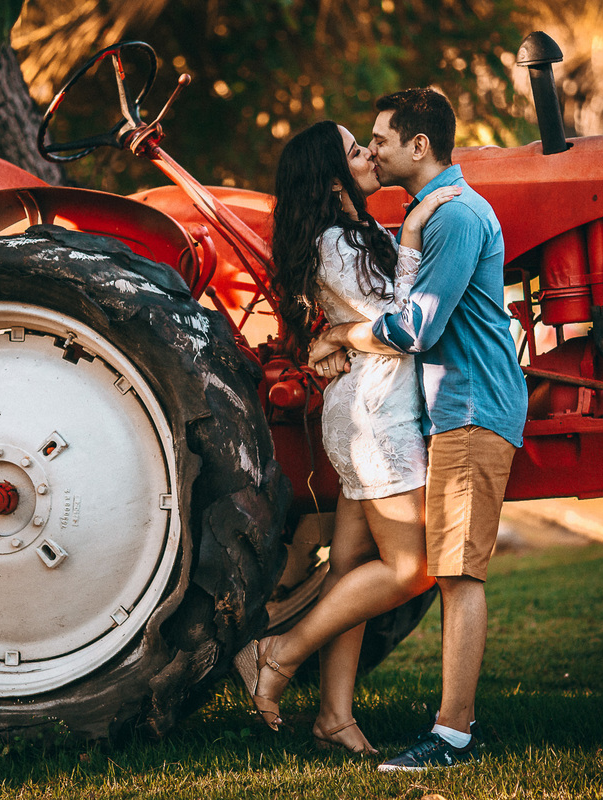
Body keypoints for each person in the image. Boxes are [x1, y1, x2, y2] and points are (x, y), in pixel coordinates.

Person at [307, 88, 528, 770]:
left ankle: (452, 736)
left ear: (419, 146)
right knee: (448, 569)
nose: (371, 152)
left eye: (378, 140)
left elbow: (415, 326)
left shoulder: (456, 217)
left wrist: (338, 333)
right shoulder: (428, 216)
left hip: (470, 406)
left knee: (457, 574)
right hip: (451, 406)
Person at [235, 120, 457, 756]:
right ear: (332, 177)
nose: (369, 154)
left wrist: (336, 334)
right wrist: (413, 236)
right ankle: (277, 654)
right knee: (413, 568)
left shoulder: (348, 236)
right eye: (357, 150)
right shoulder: (338, 242)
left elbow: (372, 319)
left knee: (353, 569)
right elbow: (407, 321)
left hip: (371, 404)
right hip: (376, 416)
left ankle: (334, 716)